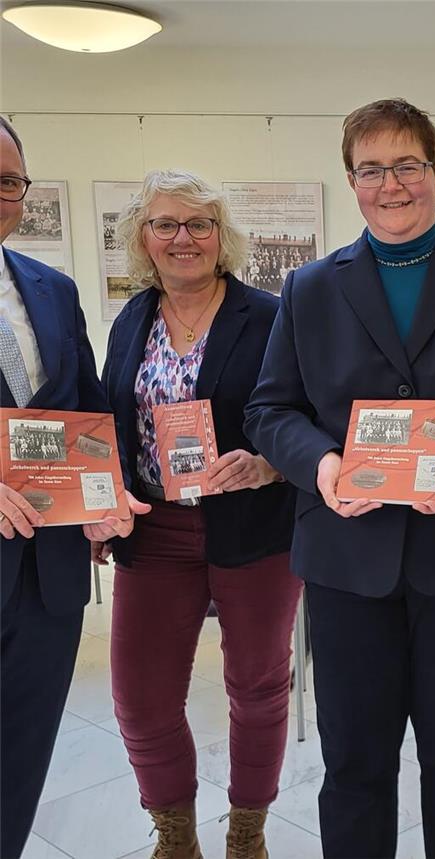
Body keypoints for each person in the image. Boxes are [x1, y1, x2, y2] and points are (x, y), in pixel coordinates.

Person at [244, 98, 435, 859]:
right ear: (351, 181)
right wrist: (323, 463)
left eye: (408, 164)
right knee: (354, 765)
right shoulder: (309, 288)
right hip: (348, 557)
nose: (392, 184)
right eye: (371, 169)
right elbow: (271, 409)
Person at [100, 169, 299, 859]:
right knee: (141, 695)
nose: (183, 238)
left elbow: (304, 416)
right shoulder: (132, 319)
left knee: (258, 683)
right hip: (154, 529)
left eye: (199, 224)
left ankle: (248, 830)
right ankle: (175, 833)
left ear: (222, 237)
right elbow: (113, 424)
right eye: (166, 224)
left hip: (253, 527)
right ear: (143, 239)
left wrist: (269, 463)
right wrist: (107, 498)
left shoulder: (270, 315)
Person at [0, 117, 147, 859]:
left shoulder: (50, 292)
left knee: (18, 767)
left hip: (46, 581)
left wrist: (103, 498)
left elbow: (86, 412)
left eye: (7, 182)